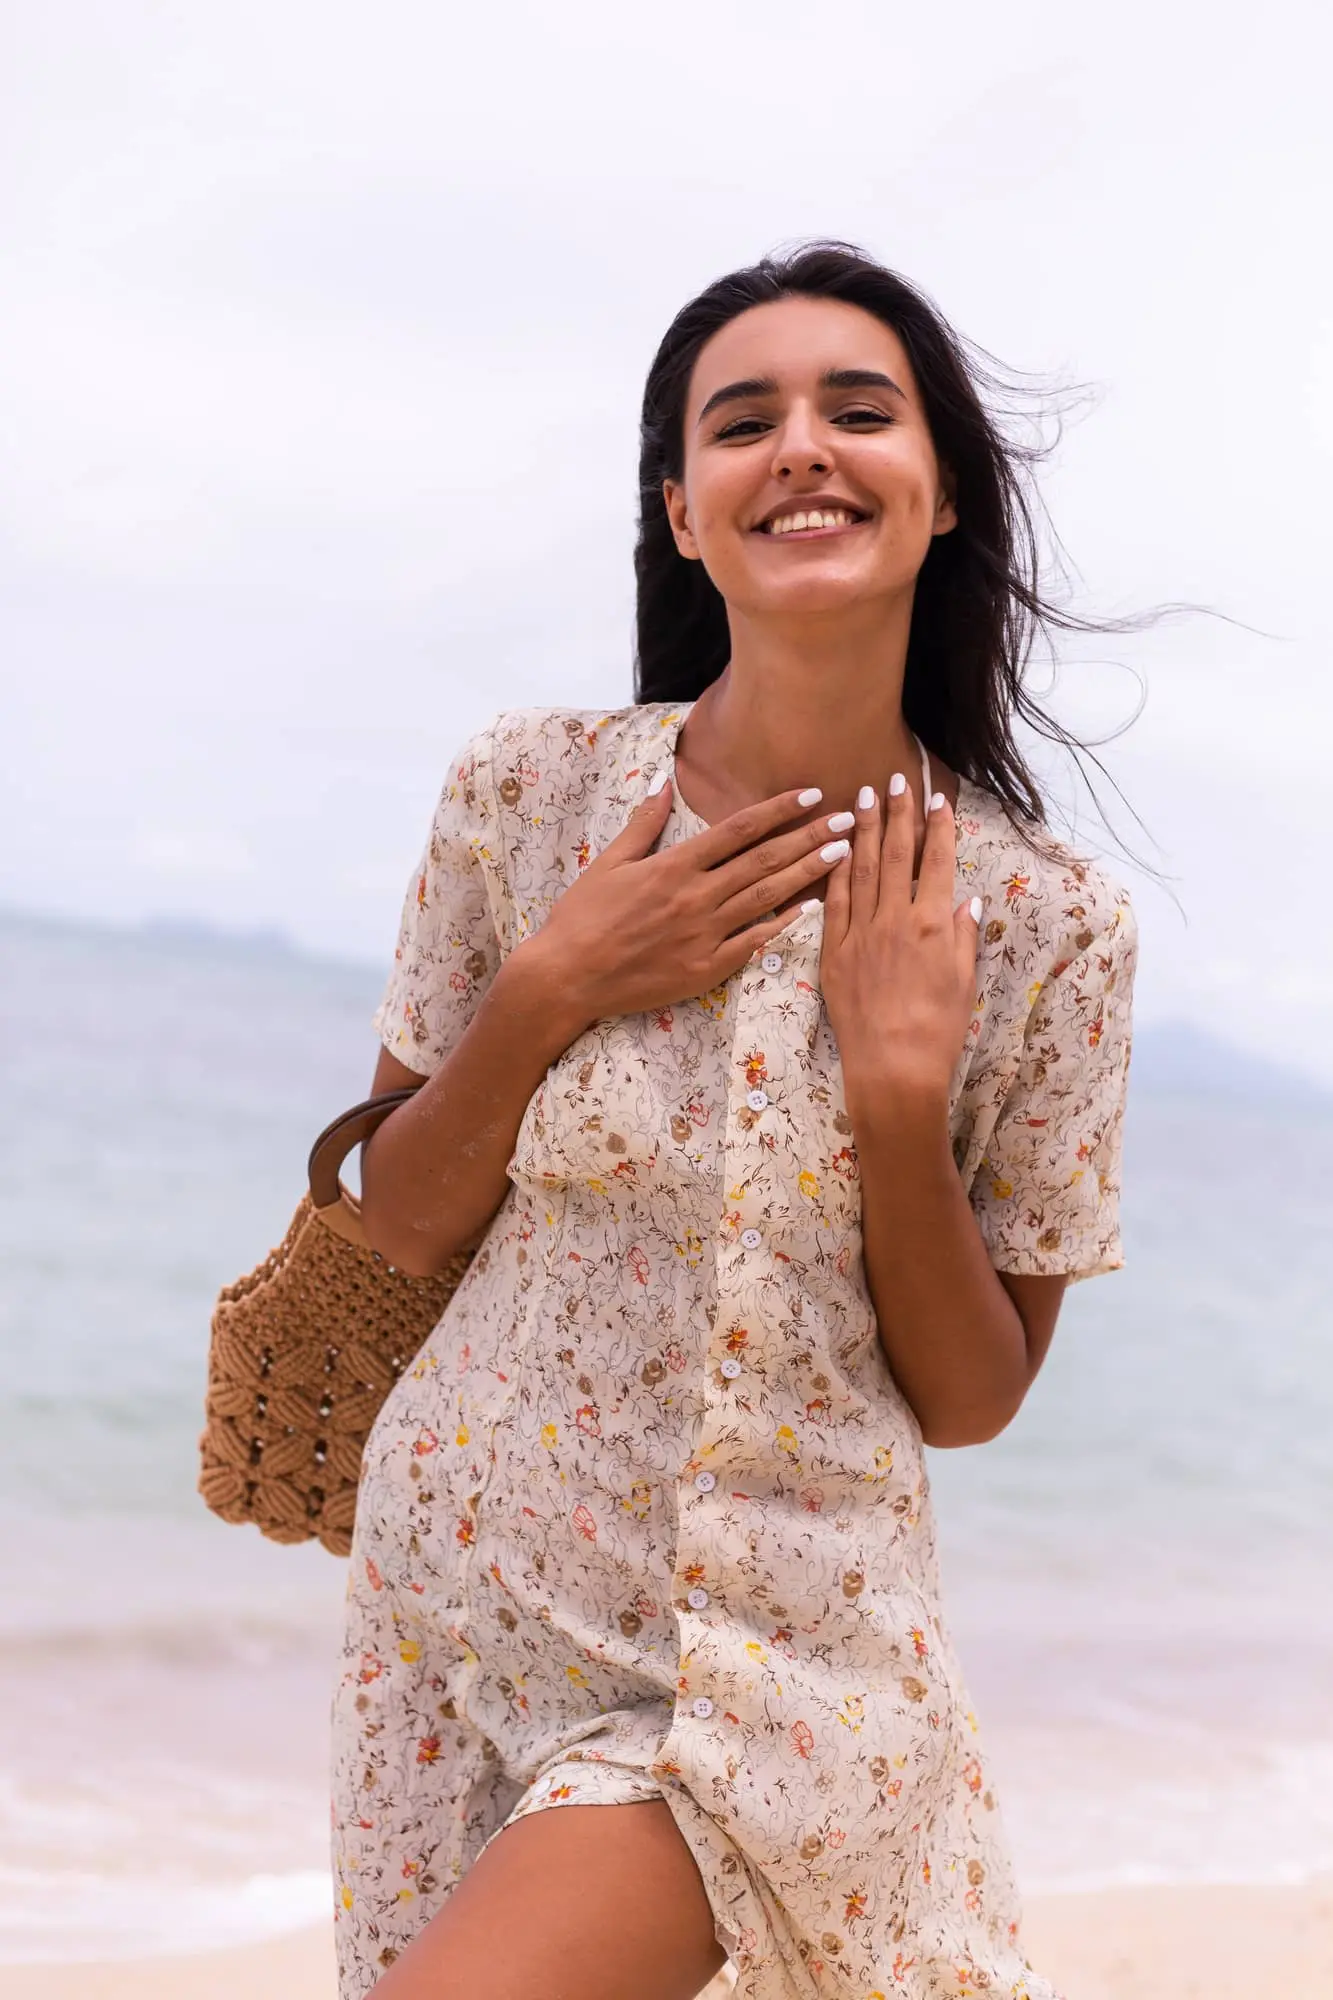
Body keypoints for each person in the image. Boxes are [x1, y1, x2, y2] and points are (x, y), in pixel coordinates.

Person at [329, 241, 1137, 2000]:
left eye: (861, 410)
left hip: (757, 1675)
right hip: (445, 1620)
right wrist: (555, 984)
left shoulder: (1049, 923)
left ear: (941, 499)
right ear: (685, 513)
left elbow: (976, 1393)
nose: (802, 450)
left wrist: (903, 1099)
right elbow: (390, 1216)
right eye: (742, 420)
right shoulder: (526, 795)